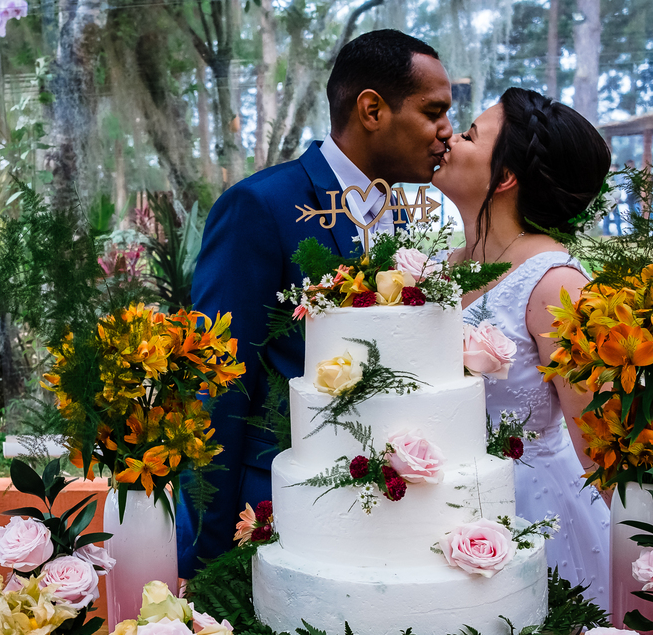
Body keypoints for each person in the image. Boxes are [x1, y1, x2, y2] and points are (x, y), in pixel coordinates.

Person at [176, 29, 453, 576]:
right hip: (278, 499)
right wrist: (211, 547)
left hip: (384, 506)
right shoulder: (261, 205)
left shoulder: (398, 212)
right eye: (433, 111)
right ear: (372, 109)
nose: (447, 132)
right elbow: (220, 382)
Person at [432, 86, 612, 611]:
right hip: (442, 506)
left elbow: (597, 443)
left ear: (506, 177)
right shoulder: (442, 265)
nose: (448, 137)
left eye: (468, 135)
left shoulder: (556, 284)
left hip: (533, 513)